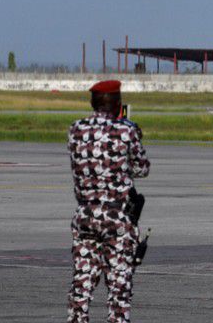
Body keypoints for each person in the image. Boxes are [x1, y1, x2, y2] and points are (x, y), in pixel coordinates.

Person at [67, 80, 150, 323]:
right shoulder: (126, 131)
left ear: (93, 103)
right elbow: (142, 168)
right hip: (116, 218)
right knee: (118, 286)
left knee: (82, 282)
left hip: (85, 215)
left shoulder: (76, 129)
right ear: (116, 104)